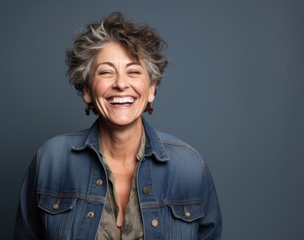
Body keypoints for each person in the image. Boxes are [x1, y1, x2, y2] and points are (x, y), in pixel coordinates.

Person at [14, 12, 222, 240]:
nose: (121, 84)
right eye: (106, 72)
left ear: (151, 88)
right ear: (87, 89)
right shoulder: (50, 161)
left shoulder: (190, 168)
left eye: (133, 72)